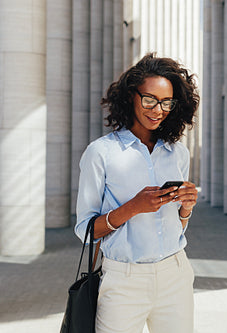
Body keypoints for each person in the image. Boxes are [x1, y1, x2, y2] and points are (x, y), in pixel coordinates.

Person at [75, 53, 200, 333]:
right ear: (131, 96)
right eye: (150, 100)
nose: (158, 110)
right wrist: (133, 207)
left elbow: (175, 226)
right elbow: (86, 231)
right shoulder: (101, 153)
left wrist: (186, 208)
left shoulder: (177, 152)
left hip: (175, 274)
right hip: (123, 280)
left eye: (166, 102)